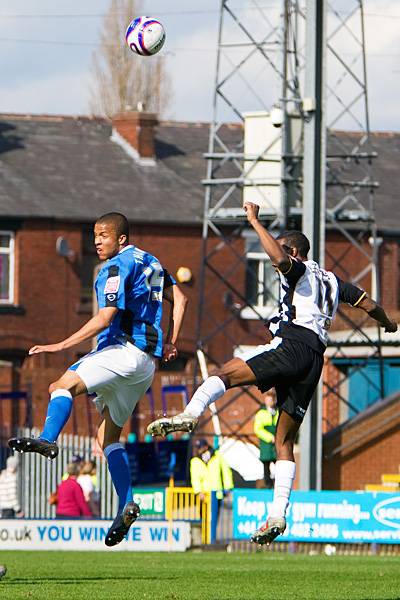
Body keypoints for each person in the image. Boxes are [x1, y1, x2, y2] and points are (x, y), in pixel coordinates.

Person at [147, 201, 398, 545]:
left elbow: (280, 260)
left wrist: (254, 221)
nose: (274, 256)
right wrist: (388, 323)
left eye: (282, 248)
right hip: (314, 361)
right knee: (284, 441)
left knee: (225, 373)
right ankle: (278, 513)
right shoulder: (335, 281)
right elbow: (369, 304)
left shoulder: (298, 268)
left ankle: (191, 415)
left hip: (292, 344)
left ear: (294, 251)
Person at [9, 212, 187, 546]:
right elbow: (181, 299)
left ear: (121, 238)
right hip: (146, 365)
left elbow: (106, 317)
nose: (97, 241)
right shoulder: (153, 262)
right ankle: (127, 503)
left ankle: (48, 438)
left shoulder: (117, 266)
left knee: (59, 386)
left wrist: (60, 344)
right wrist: (173, 340)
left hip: (123, 351)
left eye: (103, 235)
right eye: (94, 235)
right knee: (107, 439)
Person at [190, 439, 234, 541]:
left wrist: (228, 487)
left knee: (214, 517)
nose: (198, 450)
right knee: (203, 517)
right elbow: (195, 478)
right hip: (204, 495)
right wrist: (198, 491)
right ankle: (204, 538)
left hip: (216, 493)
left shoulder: (217, 456)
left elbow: (226, 471)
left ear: (205, 447)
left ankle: (211, 538)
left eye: (200, 447)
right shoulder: (195, 460)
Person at [254, 391, 279, 488]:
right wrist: (270, 437)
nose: (270, 401)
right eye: (268, 399)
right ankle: (268, 485)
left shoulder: (278, 412)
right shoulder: (261, 413)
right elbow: (258, 429)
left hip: (276, 445)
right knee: (266, 466)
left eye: (272, 399)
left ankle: (278, 485)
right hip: (266, 444)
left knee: (279, 465)